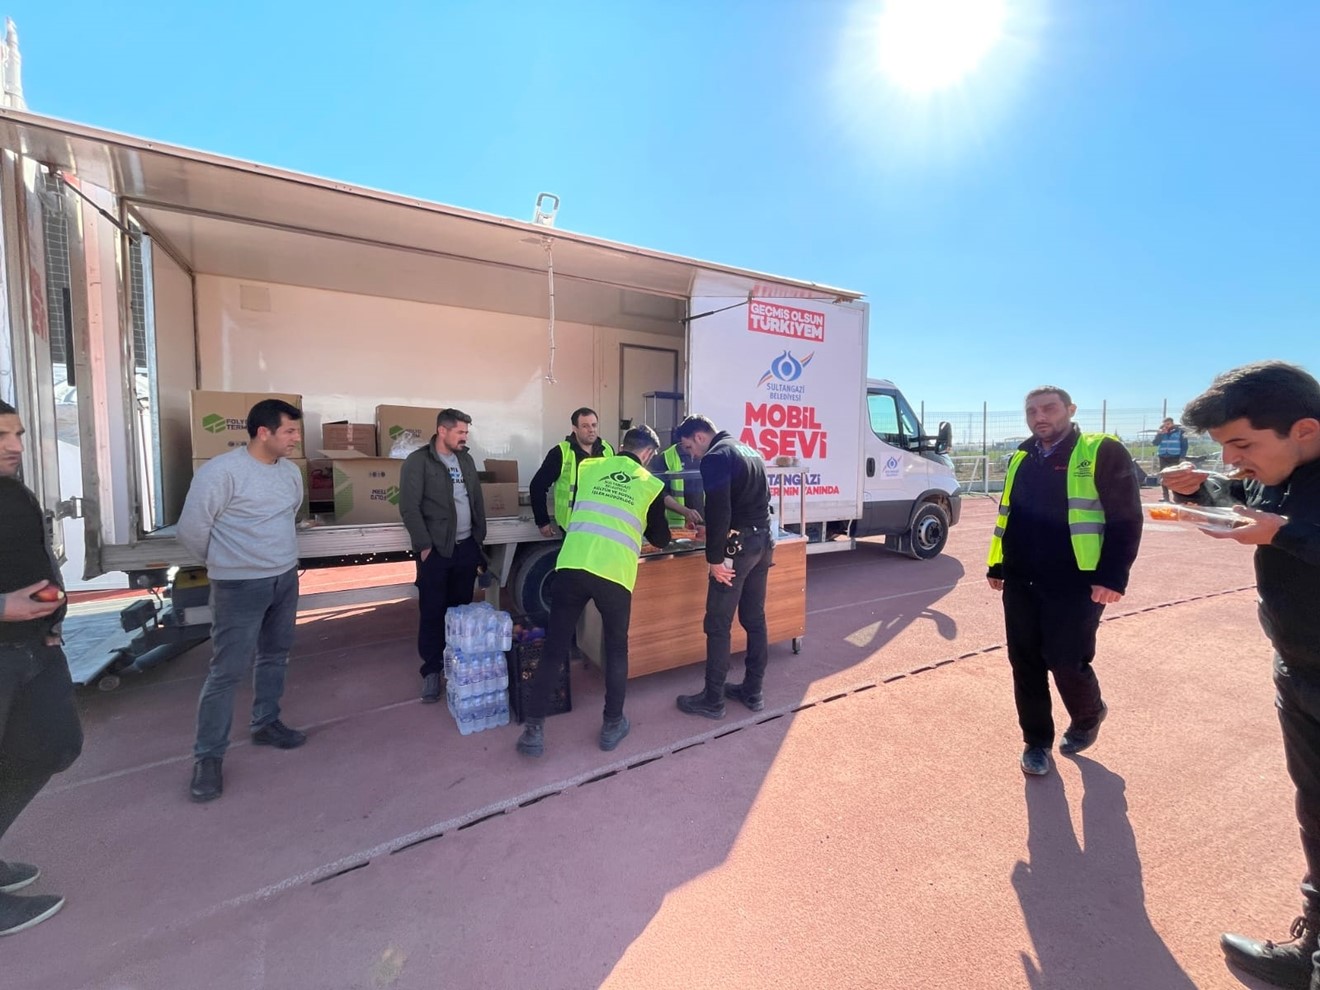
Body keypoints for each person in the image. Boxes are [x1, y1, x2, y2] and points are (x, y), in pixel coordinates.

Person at [1160, 362, 1320, 990]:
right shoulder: (1280, 474)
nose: (1231, 459)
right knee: (1314, 811)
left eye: (1242, 445)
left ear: (1304, 429)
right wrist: (1201, 493)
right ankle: (1313, 947)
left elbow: (1289, 529)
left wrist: (1287, 532)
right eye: (1221, 447)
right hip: (1298, 670)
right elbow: (1245, 506)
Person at [986, 386, 1143, 777]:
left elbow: (1126, 517)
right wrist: (998, 565)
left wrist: (1113, 576)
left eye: (1049, 408)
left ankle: (1089, 713)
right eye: (1032, 410)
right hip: (1022, 577)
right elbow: (1010, 516)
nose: (1040, 416)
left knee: (1065, 660)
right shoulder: (1020, 456)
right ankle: (1036, 742)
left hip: (1077, 581)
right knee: (1024, 661)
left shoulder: (1100, 450)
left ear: (1070, 410)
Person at [178, 398, 308, 803]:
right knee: (227, 671)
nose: (296, 439)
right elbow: (192, 530)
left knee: (275, 654)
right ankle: (208, 757)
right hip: (238, 585)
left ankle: (266, 722)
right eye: (289, 431)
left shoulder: (289, 474)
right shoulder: (221, 472)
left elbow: (292, 514)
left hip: (284, 578)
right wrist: (227, 563)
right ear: (263, 432)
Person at [516, 426, 670, 757]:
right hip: (613, 573)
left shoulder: (589, 467)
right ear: (649, 455)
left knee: (555, 648)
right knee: (616, 650)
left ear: (621, 446)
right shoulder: (651, 485)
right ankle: (613, 723)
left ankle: (533, 730)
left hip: (572, 564)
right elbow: (662, 539)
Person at [0, 400, 82, 935]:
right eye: (1, 436)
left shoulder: (15, 491)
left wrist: (55, 617)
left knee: (56, 744)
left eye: (18, 434)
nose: (14, 446)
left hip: (35, 647)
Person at [674, 414, 774, 719]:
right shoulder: (749, 451)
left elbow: (720, 509)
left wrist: (714, 558)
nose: (691, 454)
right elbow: (758, 501)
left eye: (689, 446)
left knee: (717, 623)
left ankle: (713, 700)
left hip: (737, 546)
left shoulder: (715, 457)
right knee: (754, 618)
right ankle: (752, 691)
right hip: (763, 542)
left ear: (701, 437)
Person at [399, 408, 487, 704]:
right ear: (442, 431)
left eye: (466, 432)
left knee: (461, 611)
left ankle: (457, 665)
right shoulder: (419, 462)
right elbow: (409, 507)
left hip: (465, 548)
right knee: (433, 611)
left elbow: (476, 499)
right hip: (436, 551)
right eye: (460, 432)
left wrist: (478, 538)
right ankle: (432, 671)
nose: (465, 437)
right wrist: (424, 545)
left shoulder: (466, 459)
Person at [528, 407, 614, 537]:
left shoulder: (607, 449)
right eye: (585, 426)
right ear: (574, 428)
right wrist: (542, 521)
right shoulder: (560, 453)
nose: (591, 430)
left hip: (602, 524)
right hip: (574, 526)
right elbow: (537, 486)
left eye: (594, 425)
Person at [651, 440, 704, 530]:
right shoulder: (666, 458)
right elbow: (659, 493)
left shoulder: (707, 455)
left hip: (702, 524)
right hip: (675, 526)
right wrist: (684, 511)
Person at [1154, 416, 1189, 501]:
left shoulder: (1180, 431)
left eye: (1168, 424)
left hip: (1175, 456)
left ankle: (1176, 497)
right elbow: (1155, 443)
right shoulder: (1161, 432)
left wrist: (1182, 457)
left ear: (1172, 423)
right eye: (1165, 424)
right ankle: (1166, 497)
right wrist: (1160, 434)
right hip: (1163, 456)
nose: (1166, 426)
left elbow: (1184, 445)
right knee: (1164, 476)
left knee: (1175, 476)